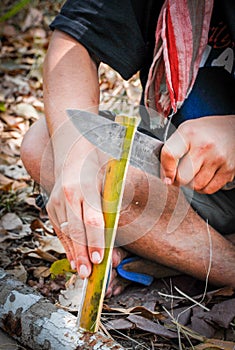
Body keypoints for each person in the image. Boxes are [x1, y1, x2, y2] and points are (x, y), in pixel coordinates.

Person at [21, 0, 235, 295]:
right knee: (44, 143)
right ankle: (220, 261)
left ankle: (176, 257)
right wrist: (74, 163)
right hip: (179, 178)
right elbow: (73, 43)